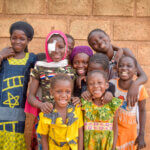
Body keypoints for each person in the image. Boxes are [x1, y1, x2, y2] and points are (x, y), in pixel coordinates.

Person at [28, 30, 75, 149]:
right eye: (52, 46)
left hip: (66, 118)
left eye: (61, 47)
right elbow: (30, 97)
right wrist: (41, 105)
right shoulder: (40, 67)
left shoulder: (69, 69)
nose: (56, 50)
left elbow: (72, 94)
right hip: (47, 117)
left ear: (66, 48)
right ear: (46, 47)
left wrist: (76, 100)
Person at [0, 21, 37, 150]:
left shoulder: (31, 58)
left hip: (17, 110)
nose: (17, 41)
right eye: (14, 38)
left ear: (29, 40)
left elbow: (44, 70)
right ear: (10, 38)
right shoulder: (4, 57)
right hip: (0, 108)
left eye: (22, 39)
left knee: (15, 141)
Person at [87, 28, 148, 106]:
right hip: (107, 102)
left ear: (108, 37)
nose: (99, 41)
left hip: (126, 97)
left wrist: (134, 85)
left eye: (101, 37)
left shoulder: (125, 53)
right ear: (93, 48)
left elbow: (143, 76)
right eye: (94, 43)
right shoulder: (97, 61)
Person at [109, 56, 148, 150]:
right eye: (121, 65)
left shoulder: (140, 88)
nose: (124, 68)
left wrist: (142, 134)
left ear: (135, 71)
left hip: (131, 134)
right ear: (117, 68)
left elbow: (142, 110)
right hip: (114, 132)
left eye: (129, 66)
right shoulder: (111, 84)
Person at [37, 74, 83, 150]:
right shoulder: (46, 114)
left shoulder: (76, 109)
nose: (63, 95)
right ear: (51, 92)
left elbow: (80, 133)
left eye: (67, 92)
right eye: (59, 91)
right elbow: (44, 138)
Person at [81, 70, 122, 150]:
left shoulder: (113, 105)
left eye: (99, 83)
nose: (96, 86)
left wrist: (113, 148)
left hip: (107, 146)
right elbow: (81, 129)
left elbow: (115, 127)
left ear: (106, 85)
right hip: (88, 146)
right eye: (91, 84)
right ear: (87, 87)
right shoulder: (84, 104)